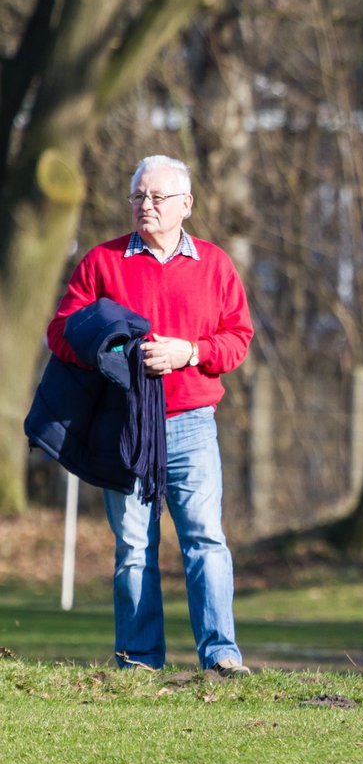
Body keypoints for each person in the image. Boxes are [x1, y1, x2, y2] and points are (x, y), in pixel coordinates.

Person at [45, 155, 254, 676]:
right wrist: (112, 350)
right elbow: (61, 331)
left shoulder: (215, 264)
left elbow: (237, 339)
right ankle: (139, 661)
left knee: (205, 539)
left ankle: (221, 655)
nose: (146, 205)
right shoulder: (102, 262)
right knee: (134, 546)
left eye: (158, 197)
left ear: (186, 204)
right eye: (139, 196)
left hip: (192, 422)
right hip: (126, 426)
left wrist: (189, 352)